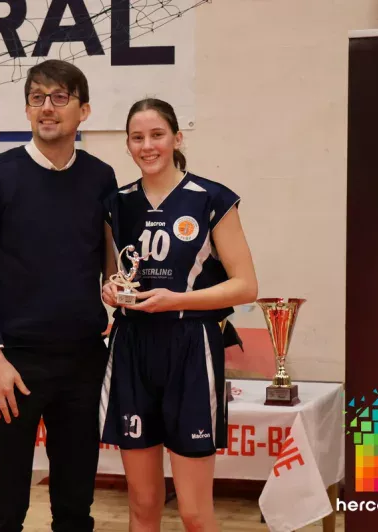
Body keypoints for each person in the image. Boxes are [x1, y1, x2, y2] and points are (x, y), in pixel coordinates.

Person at [0, 59, 118, 532]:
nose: (47, 107)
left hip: (84, 362)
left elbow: (109, 262)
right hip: (15, 364)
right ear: (27, 109)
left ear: (83, 110)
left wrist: (118, 288)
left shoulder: (101, 177)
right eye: (37, 97)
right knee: (5, 510)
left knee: (74, 509)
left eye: (60, 97)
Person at [100, 98, 259, 532]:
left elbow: (246, 286)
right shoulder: (116, 204)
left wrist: (177, 300)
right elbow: (115, 276)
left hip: (191, 346)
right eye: (137, 137)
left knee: (194, 513)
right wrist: (110, 290)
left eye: (157, 135)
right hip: (132, 346)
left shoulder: (211, 199)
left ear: (177, 138)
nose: (147, 145)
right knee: (142, 504)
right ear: (127, 145)